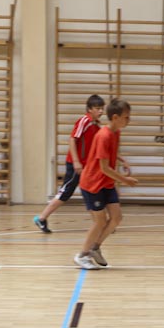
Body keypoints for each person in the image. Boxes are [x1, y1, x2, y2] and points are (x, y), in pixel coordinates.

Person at [73, 99, 138, 270]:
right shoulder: (104, 135)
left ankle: (95, 248)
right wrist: (125, 180)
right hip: (93, 183)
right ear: (115, 117)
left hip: (106, 183)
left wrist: (121, 160)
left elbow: (108, 155)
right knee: (100, 221)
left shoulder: (116, 133)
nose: (129, 120)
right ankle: (82, 255)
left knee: (116, 218)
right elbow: (104, 167)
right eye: (126, 117)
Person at [34, 95, 111, 233]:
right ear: (89, 109)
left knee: (91, 191)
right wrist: (76, 161)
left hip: (87, 166)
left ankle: (100, 222)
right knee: (66, 192)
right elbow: (72, 140)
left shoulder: (96, 124)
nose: (100, 111)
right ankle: (42, 218)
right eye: (97, 108)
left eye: (102, 108)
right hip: (76, 165)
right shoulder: (84, 121)